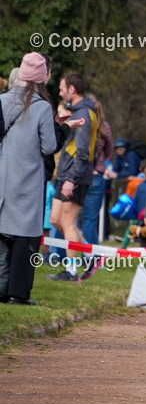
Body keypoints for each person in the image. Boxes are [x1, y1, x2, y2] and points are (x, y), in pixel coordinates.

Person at [0, 52, 59, 305]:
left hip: (3, 178)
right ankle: (19, 293)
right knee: (26, 238)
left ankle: (1, 288)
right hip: (28, 179)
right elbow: (48, 147)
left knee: (3, 237)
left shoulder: (2, 101)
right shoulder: (42, 107)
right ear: (41, 78)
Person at [49, 72, 100, 282]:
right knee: (55, 219)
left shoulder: (85, 114)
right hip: (65, 174)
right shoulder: (76, 111)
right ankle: (90, 254)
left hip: (75, 176)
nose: (60, 93)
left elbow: (83, 152)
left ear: (72, 89)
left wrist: (71, 179)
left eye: (62, 89)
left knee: (68, 222)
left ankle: (71, 270)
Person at [81, 93, 114, 246]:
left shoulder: (82, 123)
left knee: (71, 218)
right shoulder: (104, 126)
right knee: (90, 220)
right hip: (96, 176)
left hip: (80, 174)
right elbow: (109, 151)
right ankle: (91, 255)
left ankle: (63, 254)